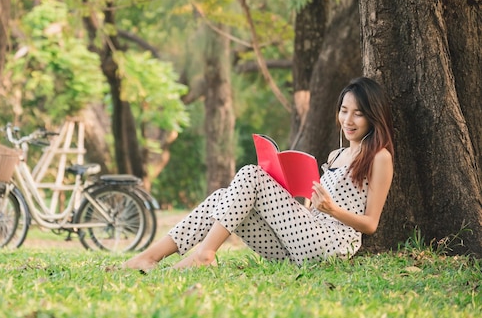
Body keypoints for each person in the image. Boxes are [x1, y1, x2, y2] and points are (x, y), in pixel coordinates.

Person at [123, 77, 395, 271]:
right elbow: (313, 209)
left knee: (251, 174)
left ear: (373, 116)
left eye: (357, 114)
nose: (348, 121)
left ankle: (205, 254)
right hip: (296, 247)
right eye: (344, 111)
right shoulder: (336, 156)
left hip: (330, 245)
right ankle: (150, 256)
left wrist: (333, 210)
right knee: (223, 198)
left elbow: (371, 224)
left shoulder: (379, 157)